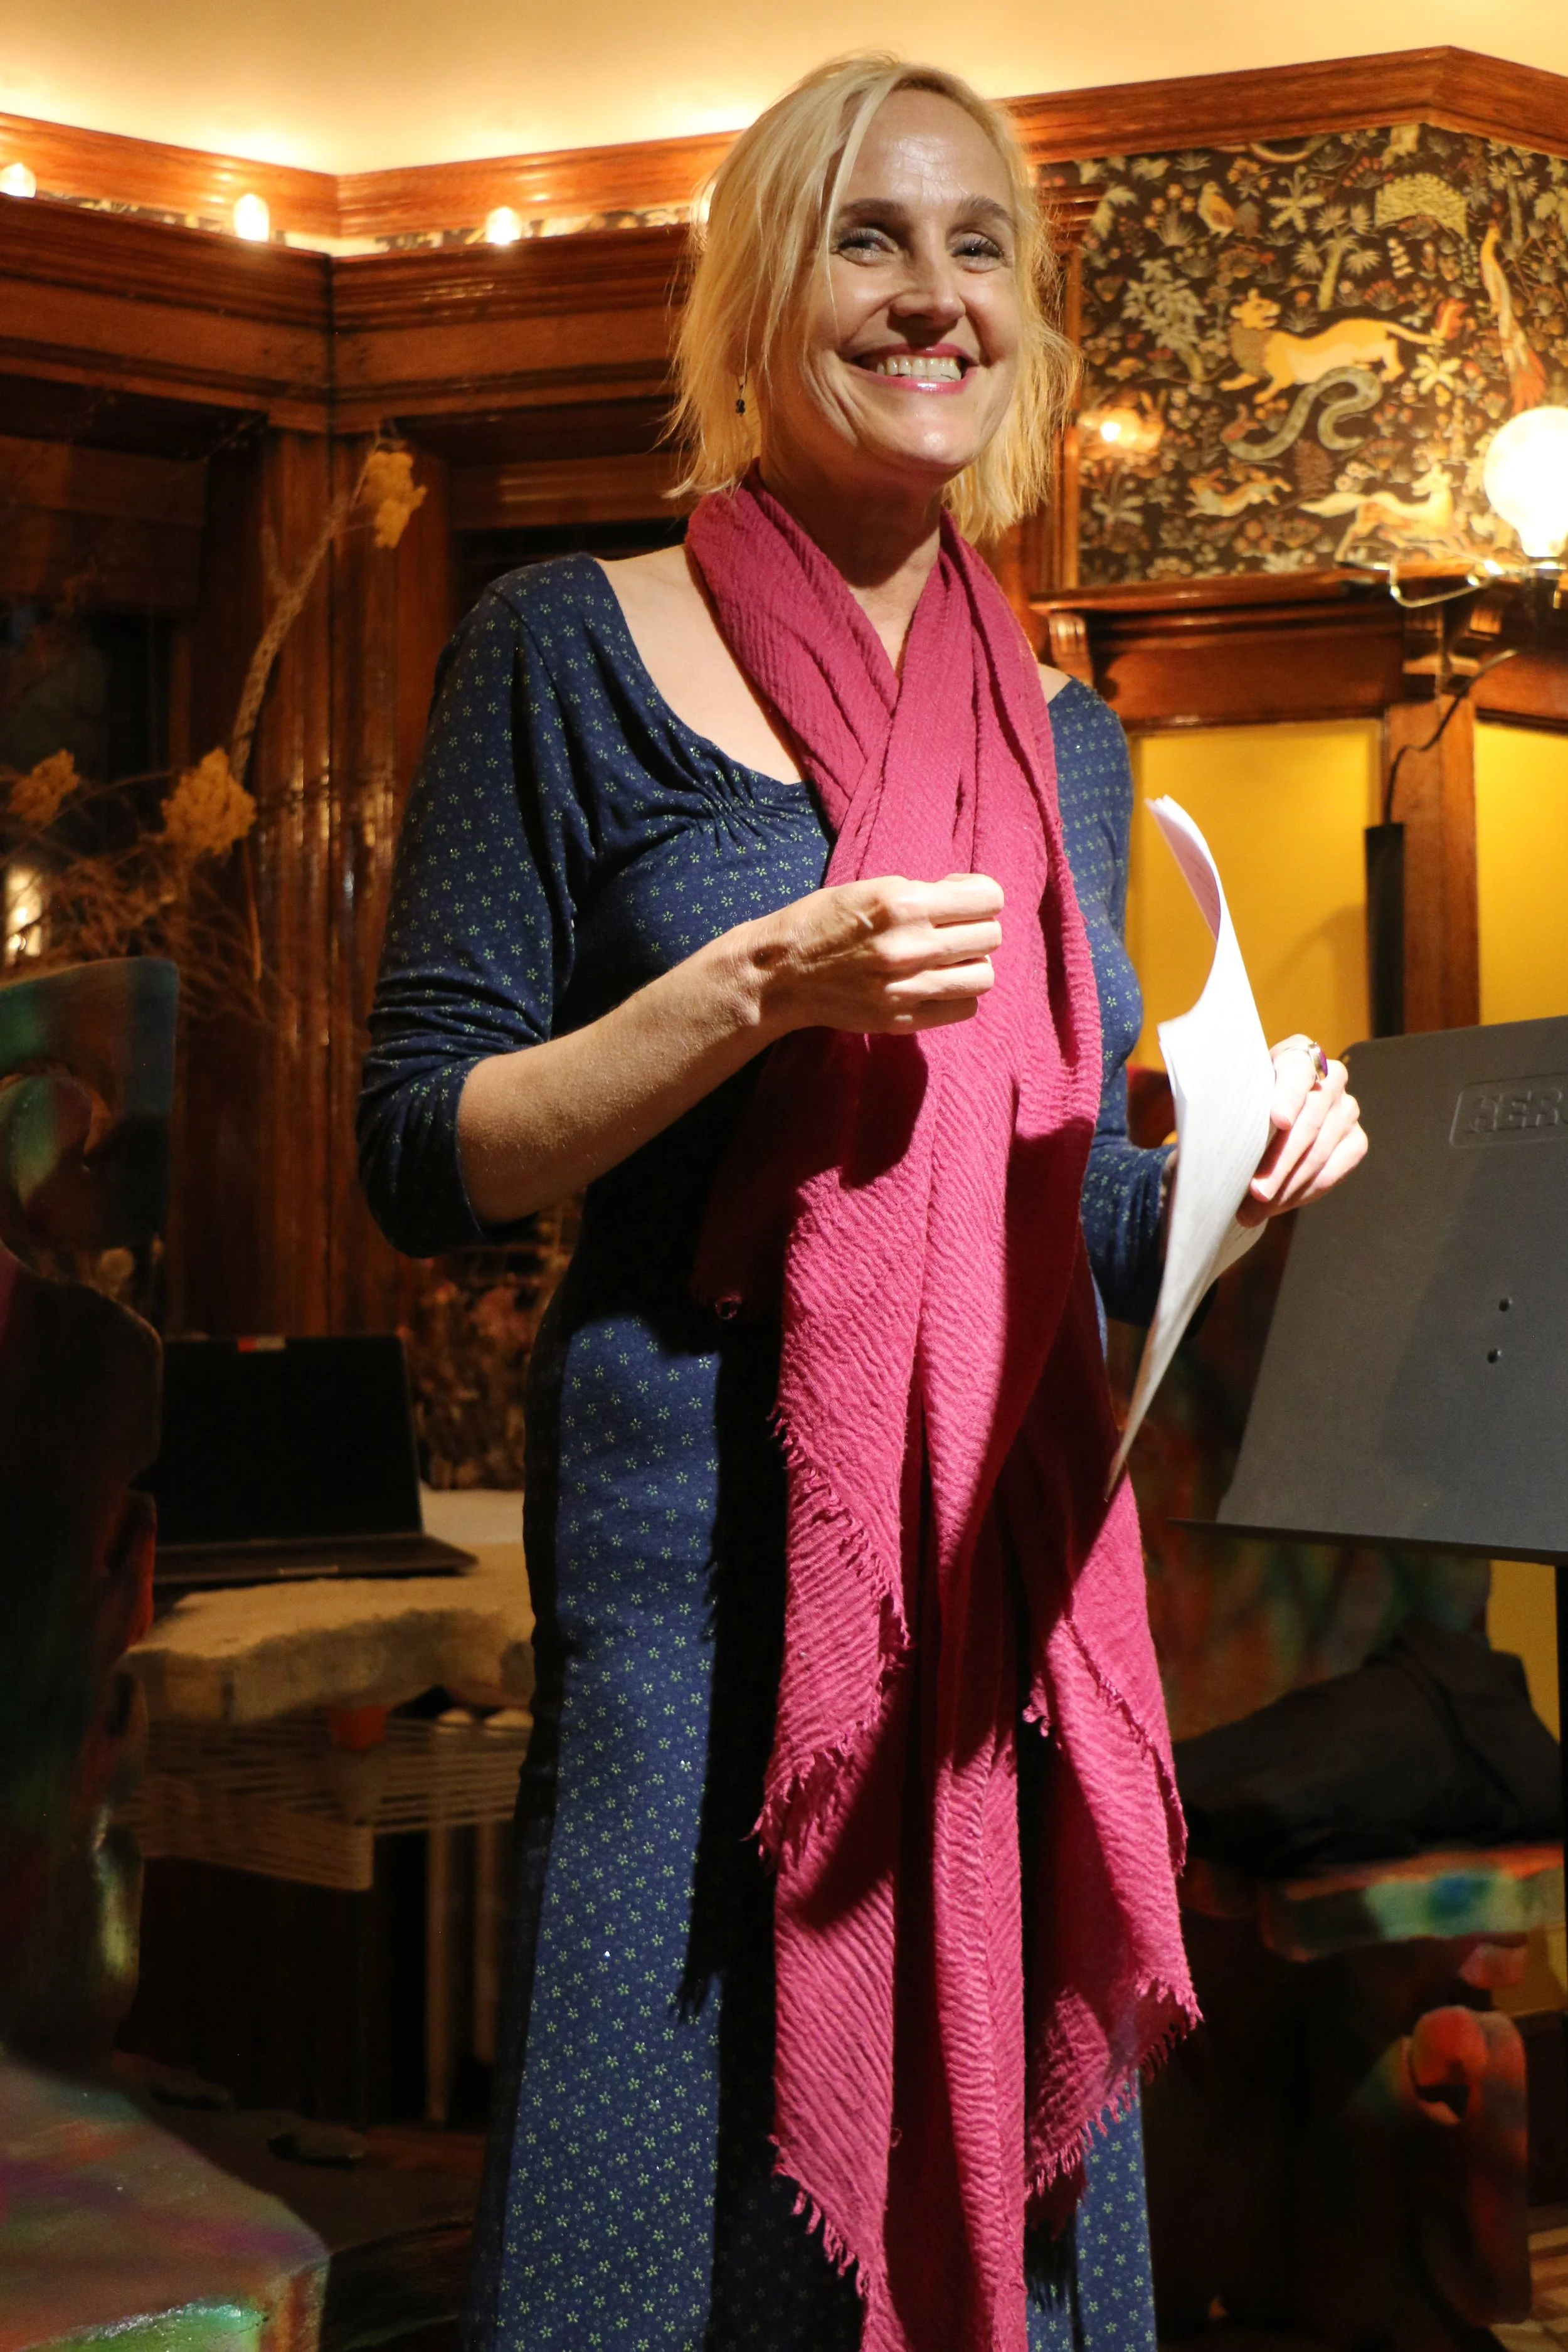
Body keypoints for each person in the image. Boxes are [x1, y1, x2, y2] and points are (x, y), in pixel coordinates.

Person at [358, 55, 1366, 2352]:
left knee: (989, 2117)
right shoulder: (565, 646)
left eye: (978, 245)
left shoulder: (1062, 724)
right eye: (868, 239)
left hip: (994, 1553)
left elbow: (1053, 1224)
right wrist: (745, 990)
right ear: (756, 297)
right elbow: (424, 1149)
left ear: (1028, 317)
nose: (933, 297)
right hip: (690, 1539)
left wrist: (1221, 1175)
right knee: (648, 2130)